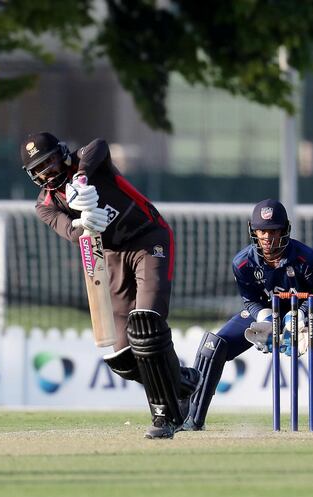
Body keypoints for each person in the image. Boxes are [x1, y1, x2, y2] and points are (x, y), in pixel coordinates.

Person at [20, 132, 200, 439]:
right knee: (121, 358)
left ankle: (165, 416)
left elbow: (100, 145)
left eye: (49, 161)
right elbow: (69, 232)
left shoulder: (86, 163)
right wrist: (82, 222)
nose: (47, 171)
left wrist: (80, 178)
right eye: (39, 168)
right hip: (110, 257)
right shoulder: (46, 204)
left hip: (148, 239)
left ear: (61, 153)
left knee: (147, 323)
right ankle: (183, 382)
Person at [179, 198, 313, 432]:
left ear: (285, 229)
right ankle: (191, 418)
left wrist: (300, 316)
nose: (267, 237)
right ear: (253, 231)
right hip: (266, 307)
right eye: (262, 231)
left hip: (310, 306)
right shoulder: (243, 263)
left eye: (273, 231)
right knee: (214, 346)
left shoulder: (306, 257)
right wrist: (265, 317)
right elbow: (249, 300)